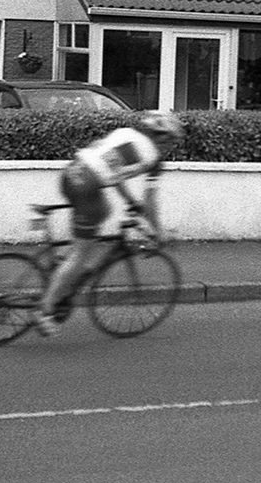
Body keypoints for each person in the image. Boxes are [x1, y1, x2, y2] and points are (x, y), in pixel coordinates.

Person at [34, 110, 185, 337]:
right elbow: (151, 200)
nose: (169, 146)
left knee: (103, 212)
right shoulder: (153, 158)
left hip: (70, 175)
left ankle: (67, 269)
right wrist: (158, 232)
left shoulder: (125, 134)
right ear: (162, 137)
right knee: (81, 254)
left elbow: (112, 170)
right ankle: (45, 310)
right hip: (87, 189)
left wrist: (130, 201)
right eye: (170, 141)